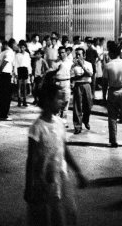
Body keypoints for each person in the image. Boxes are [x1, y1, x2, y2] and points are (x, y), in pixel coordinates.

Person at [24, 83, 87, 226]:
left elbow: (65, 150)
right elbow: (31, 160)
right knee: (46, 216)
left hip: (60, 177)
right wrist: (29, 187)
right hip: (43, 180)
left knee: (63, 213)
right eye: (59, 98)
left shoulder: (59, 122)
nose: (62, 102)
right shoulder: (37, 128)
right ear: (47, 100)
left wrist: (78, 172)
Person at [71, 48, 93, 134]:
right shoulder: (73, 66)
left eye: (79, 54)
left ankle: (85, 120)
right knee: (77, 106)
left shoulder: (89, 64)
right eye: (76, 54)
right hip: (78, 85)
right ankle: (77, 126)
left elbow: (90, 74)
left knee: (88, 105)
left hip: (87, 85)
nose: (77, 56)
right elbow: (72, 77)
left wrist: (83, 67)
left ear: (84, 56)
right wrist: (83, 75)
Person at [0, 40, 15, 121]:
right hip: (6, 74)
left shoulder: (2, 53)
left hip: (1, 75)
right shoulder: (10, 52)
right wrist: (0, 71)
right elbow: (5, 62)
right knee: (6, 96)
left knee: (0, 95)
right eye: (15, 44)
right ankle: (4, 115)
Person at [14, 40, 32, 107]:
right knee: (19, 87)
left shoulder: (27, 54)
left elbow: (29, 64)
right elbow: (15, 64)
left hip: (25, 70)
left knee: (24, 87)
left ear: (25, 48)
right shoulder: (17, 55)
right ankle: (19, 101)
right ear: (20, 48)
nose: (22, 49)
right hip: (19, 70)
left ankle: (24, 101)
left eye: (24, 47)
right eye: (21, 47)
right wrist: (16, 73)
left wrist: (30, 72)